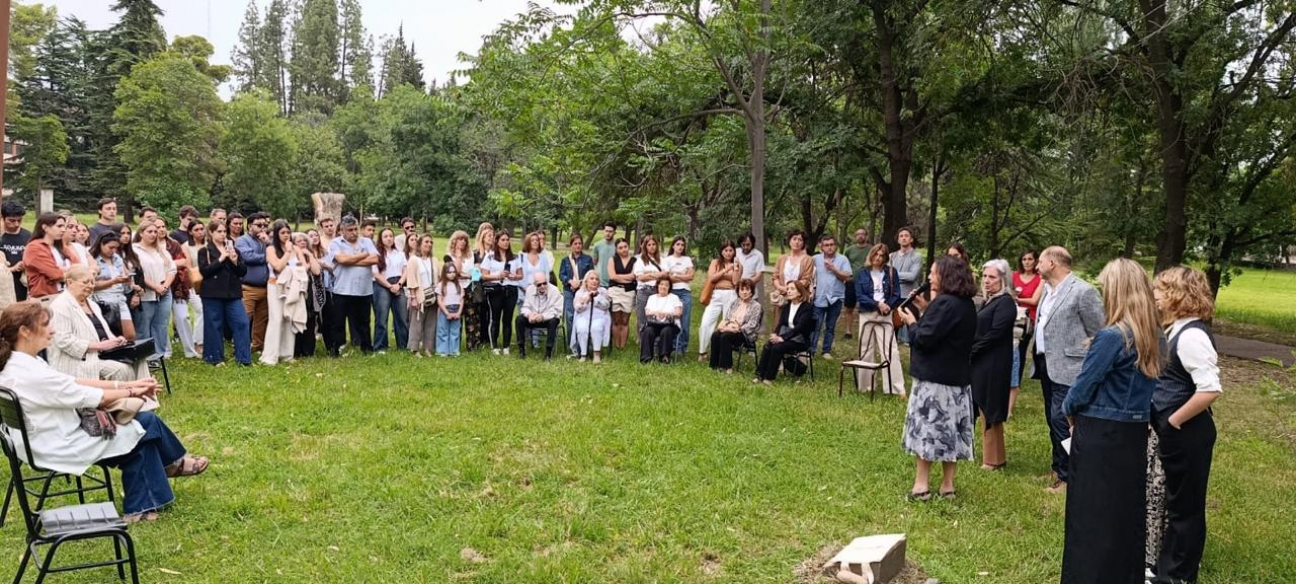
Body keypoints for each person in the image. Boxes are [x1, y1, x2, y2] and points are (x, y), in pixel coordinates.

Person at [0, 301, 209, 523]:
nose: (52, 330)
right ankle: (171, 466)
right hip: (58, 445)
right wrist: (132, 391)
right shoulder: (30, 373)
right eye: (45, 324)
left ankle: (147, 501)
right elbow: (88, 396)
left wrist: (127, 386)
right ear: (24, 331)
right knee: (145, 425)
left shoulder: (17, 364)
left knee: (142, 427)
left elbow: (73, 381)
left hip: (37, 441)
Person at [1059, 258, 1163, 584]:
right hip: (1132, 434)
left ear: (1117, 291)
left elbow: (1081, 389)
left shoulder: (1112, 337)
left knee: (1090, 515)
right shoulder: (1151, 336)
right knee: (1122, 512)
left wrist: (1069, 411)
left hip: (1100, 434)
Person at [1148, 267, 1221, 584]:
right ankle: (1167, 569)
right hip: (1175, 432)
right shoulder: (1177, 329)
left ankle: (1178, 575)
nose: (1155, 296)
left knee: (1186, 508)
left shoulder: (1192, 336)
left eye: (1161, 290)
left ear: (1178, 294)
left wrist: (1174, 420)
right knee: (1176, 504)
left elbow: (1210, 389)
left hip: (1187, 432)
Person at [897, 256, 978, 501]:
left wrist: (911, 322)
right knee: (951, 432)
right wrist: (925, 309)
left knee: (928, 431)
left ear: (946, 275)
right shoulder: (965, 304)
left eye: (933, 273)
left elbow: (924, 339)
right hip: (958, 381)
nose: (930, 277)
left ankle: (921, 486)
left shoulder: (944, 303)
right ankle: (947, 486)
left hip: (935, 382)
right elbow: (945, 331)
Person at [1035, 246, 1105, 493]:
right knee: (1051, 418)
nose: (1036, 266)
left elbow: (1099, 332)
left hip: (1071, 367)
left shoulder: (1083, 291)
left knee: (1061, 419)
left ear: (1052, 263)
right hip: (1046, 363)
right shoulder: (1047, 290)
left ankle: (1069, 477)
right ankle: (1057, 467)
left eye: (1040, 261)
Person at [48, 265, 146, 381]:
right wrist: (99, 346)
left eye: (92, 282)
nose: (90, 286)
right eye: (85, 282)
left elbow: (103, 332)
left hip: (102, 354)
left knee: (140, 360)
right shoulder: (61, 305)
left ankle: (144, 397)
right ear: (70, 283)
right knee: (121, 369)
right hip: (77, 361)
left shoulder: (92, 304)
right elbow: (63, 341)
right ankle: (121, 398)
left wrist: (116, 341)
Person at [971, 259, 1016, 471]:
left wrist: (974, 350)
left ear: (1003, 279)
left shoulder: (1005, 302)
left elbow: (996, 333)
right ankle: (994, 456)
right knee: (984, 406)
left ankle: (992, 459)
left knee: (990, 406)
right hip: (983, 360)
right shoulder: (988, 301)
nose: (987, 281)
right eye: (985, 276)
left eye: (992, 277)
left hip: (994, 361)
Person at [197, 220, 251, 366]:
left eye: (224, 232)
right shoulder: (205, 251)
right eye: (219, 232)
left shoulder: (234, 249)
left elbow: (243, 271)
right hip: (212, 293)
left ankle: (244, 358)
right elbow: (205, 271)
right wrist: (221, 258)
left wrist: (234, 261)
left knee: (242, 322)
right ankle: (214, 357)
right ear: (211, 233)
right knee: (214, 325)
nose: (222, 235)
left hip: (233, 293)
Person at [261, 221, 315, 365]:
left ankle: (287, 354)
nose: (286, 236)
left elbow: (304, 266)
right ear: (277, 234)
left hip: (293, 287)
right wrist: (287, 252)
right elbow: (278, 266)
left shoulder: (296, 248)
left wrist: (295, 265)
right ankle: (270, 356)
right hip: (276, 286)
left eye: (288, 232)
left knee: (288, 318)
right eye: (283, 233)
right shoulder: (271, 249)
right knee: (276, 319)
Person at [854, 243, 905, 397]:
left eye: (881, 255)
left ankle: (895, 388)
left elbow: (896, 293)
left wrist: (887, 306)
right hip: (867, 313)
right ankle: (866, 386)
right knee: (866, 349)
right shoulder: (862, 273)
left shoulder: (891, 272)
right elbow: (860, 295)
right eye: (875, 254)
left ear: (885, 257)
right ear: (871, 255)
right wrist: (877, 304)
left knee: (890, 350)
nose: (878, 257)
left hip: (885, 314)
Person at [325, 216, 379, 355]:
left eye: (355, 229)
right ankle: (334, 350)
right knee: (338, 322)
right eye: (350, 230)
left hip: (363, 289)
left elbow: (375, 259)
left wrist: (350, 260)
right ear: (342, 230)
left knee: (364, 322)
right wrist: (363, 255)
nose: (354, 232)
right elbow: (341, 259)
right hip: (343, 289)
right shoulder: (336, 243)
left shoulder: (366, 241)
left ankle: (366, 348)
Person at [753, 280, 814, 384]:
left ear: (799, 292)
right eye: (788, 289)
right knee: (768, 345)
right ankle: (759, 375)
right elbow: (781, 324)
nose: (788, 291)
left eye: (792, 289)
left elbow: (799, 327)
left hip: (800, 340)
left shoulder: (807, 308)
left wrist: (782, 338)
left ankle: (769, 378)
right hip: (787, 337)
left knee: (777, 347)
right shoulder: (787, 307)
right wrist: (775, 334)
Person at [133, 218, 176, 360]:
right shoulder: (135, 250)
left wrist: (164, 286)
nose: (153, 234)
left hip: (164, 292)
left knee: (160, 325)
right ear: (141, 232)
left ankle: (158, 356)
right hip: (146, 293)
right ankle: (144, 358)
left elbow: (172, 269)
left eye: (155, 232)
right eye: (149, 231)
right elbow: (138, 273)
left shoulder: (160, 250)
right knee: (144, 326)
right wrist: (155, 286)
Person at [156, 218, 197, 359]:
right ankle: (165, 350)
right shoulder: (148, 247)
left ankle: (190, 350)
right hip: (158, 287)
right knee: (162, 320)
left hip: (178, 287)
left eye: (163, 226)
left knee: (182, 317)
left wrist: (166, 263)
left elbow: (183, 261)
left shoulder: (173, 244)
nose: (161, 229)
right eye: (158, 227)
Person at [1010, 250, 1043, 417]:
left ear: (1035, 261)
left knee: (1020, 353)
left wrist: (1017, 299)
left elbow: (1035, 301)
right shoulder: (1014, 275)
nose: (1027, 262)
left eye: (1030, 259)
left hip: (1027, 321)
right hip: (1010, 318)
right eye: (1024, 259)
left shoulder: (1039, 279)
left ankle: (1015, 385)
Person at [90, 232, 139, 342]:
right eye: (110, 247)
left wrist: (129, 283)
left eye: (116, 248)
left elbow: (124, 276)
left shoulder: (117, 258)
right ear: (101, 244)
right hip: (103, 300)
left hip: (120, 298)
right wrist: (112, 281)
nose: (113, 251)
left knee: (130, 335)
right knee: (110, 336)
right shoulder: (93, 260)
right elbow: (91, 286)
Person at [697, 240, 740, 362]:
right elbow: (712, 278)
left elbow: (736, 282)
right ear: (721, 251)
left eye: (731, 250)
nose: (728, 253)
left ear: (734, 251)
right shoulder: (715, 262)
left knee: (726, 323)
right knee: (706, 322)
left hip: (731, 294)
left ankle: (722, 352)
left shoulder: (737, 264)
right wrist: (726, 270)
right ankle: (702, 351)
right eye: (726, 250)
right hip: (716, 294)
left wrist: (735, 268)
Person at [811, 234, 852, 359]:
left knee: (830, 326)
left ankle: (826, 350)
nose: (829, 247)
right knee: (816, 325)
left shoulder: (843, 259)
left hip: (836, 297)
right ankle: (811, 350)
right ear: (821, 247)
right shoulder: (815, 259)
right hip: (820, 296)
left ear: (836, 246)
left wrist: (834, 269)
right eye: (826, 245)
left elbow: (847, 276)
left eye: (831, 245)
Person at [708, 280, 763, 374]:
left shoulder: (756, 306)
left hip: (744, 333)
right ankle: (714, 365)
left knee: (726, 336)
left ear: (752, 291)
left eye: (747, 289)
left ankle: (727, 367)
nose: (744, 292)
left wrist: (737, 329)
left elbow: (752, 325)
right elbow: (727, 317)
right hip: (730, 328)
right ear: (738, 291)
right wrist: (724, 325)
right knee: (716, 335)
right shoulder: (736, 302)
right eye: (742, 289)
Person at [481, 231, 522, 354]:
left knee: (508, 319)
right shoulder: (490, 257)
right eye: (502, 240)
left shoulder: (515, 257)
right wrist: (498, 276)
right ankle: (494, 346)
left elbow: (521, 275)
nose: (505, 242)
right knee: (495, 317)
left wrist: (514, 276)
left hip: (511, 289)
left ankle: (506, 346)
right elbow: (484, 276)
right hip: (496, 290)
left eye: (507, 240)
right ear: (497, 242)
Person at [235, 213, 270, 352]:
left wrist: (268, 243)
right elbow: (248, 257)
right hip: (248, 288)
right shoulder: (241, 241)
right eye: (259, 225)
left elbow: (279, 253)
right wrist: (268, 256)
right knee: (244, 319)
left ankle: (257, 346)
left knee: (261, 320)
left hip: (265, 287)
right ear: (250, 226)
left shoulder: (265, 240)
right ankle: (239, 346)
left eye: (265, 225)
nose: (262, 228)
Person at [371, 228, 409, 353]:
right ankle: (380, 346)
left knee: (402, 317)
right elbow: (376, 274)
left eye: (390, 236)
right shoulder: (376, 254)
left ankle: (403, 345)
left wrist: (399, 284)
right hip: (382, 285)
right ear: (381, 239)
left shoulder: (400, 254)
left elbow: (405, 270)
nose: (388, 238)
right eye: (385, 236)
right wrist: (389, 286)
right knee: (382, 317)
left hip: (398, 284)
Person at [21, 212, 71, 300]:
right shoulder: (34, 248)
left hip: (66, 296)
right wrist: (70, 272)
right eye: (59, 226)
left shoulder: (62, 247)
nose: (63, 230)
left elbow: (80, 266)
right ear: (45, 227)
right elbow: (55, 274)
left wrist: (65, 271)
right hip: (46, 298)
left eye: (64, 226)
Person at [292, 232, 326, 359]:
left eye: (304, 240)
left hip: (311, 294)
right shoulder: (291, 258)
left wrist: (309, 255)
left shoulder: (309, 256)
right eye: (299, 241)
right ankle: (296, 350)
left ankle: (308, 350)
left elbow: (316, 271)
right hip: (297, 293)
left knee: (310, 320)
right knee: (296, 320)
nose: (302, 243)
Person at [516, 273, 562, 360]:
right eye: (539, 284)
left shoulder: (555, 290)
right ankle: (521, 350)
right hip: (533, 319)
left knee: (554, 321)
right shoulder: (530, 290)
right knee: (519, 319)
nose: (542, 286)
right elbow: (525, 307)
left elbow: (557, 310)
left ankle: (548, 353)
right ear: (534, 284)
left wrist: (542, 316)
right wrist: (529, 315)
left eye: (545, 283)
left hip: (548, 319)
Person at [661, 236, 695, 355]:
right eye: (678, 244)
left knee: (685, 321)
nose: (680, 247)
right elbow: (667, 278)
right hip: (672, 293)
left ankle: (682, 347)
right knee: (673, 319)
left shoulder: (687, 259)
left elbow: (691, 276)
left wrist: (676, 274)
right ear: (673, 246)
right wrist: (683, 274)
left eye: (682, 245)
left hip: (685, 292)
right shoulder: (667, 260)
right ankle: (673, 346)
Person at [560, 234, 597, 343]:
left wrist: (580, 282)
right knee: (570, 316)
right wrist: (570, 281)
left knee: (583, 316)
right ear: (571, 245)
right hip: (569, 291)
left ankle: (583, 342)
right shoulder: (565, 260)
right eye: (575, 243)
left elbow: (591, 274)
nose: (578, 246)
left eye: (579, 243)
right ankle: (572, 343)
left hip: (583, 291)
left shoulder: (588, 259)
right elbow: (561, 275)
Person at [405, 235, 438, 357]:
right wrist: (413, 297)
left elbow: (438, 277)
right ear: (419, 244)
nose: (429, 244)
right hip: (419, 294)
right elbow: (411, 279)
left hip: (432, 295)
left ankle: (428, 348)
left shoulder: (433, 260)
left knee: (431, 323)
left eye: (431, 242)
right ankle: (414, 349)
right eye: (426, 242)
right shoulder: (414, 260)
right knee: (417, 322)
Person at [890, 227, 924, 344]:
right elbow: (886, 275)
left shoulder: (916, 256)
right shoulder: (891, 256)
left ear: (911, 239)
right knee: (891, 330)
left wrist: (893, 274)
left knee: (912, 331)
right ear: (898, 240)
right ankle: (890, 360)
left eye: (906, 236)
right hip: (894, 296)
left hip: (910, 297)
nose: (904, 238)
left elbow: (912, 276)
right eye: (901, 236)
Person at [639, 276, 683, 364]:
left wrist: (667, 314)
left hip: (670, 324)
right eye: (661, 284)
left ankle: (664, 356)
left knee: (666, 331)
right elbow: (647, 312)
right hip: (654, 323)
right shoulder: (652, 297)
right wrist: (656, 312)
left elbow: (678, 313)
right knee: (648, 331)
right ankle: (646, 358)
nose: (663, 287)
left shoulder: (674, 297)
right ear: (658, 285)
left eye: (666, 285)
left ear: (669, 287)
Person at [571, 271, 610, 362]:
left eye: (596, 279)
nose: (594, 281)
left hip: (599, 316)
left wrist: (596, 298)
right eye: (591, 279)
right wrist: (586, 300)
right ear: (586, 281)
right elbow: (577, 308)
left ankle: (596, 354)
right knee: (582, 327)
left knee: (596, 327)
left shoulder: (603, 291)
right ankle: (583, 354)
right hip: (583, 316)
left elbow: (607, 305)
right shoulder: (580, 293)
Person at [468, 223, 496, 351]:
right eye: (487, 235)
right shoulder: (475, 253)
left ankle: (488, 337)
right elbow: (472, 269)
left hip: (493, 286)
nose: (491, 237)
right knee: (479, 313)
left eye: (492, 235)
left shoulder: (496, 254)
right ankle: (478, 338)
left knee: (490, 313)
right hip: (479, 287)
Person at [606, 238, 637, 349]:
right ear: (616, 249)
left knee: (625, 320)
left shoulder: (634, 260)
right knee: (616, 319)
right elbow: (612, 276)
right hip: (614, 291)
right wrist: (627, 278)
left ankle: (622, 346)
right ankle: (616, 344)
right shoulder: (612, 260)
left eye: (625, 247)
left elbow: (634, 276)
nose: (623, 249)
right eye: (620, 247)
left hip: (629, 292)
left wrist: (619, 277)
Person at [183, 220, 207, 357]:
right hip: (193, 284)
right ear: (191, 232)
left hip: (209, 284)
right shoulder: (186, 246)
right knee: (201, 310)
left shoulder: (209, 245)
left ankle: (205, 339)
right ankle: (198, 343)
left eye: (201, 229)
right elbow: (188, 267)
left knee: (206, 312)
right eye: (196, 229)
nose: (200, 232)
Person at [772, 230, 814, 308]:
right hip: (782, 297)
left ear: (803, 243)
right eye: (794, 239)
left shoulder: (808, 259)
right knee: (781, 319)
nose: (797, 242)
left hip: (799, 297)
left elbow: (806, 280)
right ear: (789, 241)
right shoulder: (781, 258)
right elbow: (775, 277)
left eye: (800, 240)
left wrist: (791, 289)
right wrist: (780, 287)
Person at [632, 235, 664, 336]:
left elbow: (665, 274)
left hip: (657, 291)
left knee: (656, 319)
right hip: (643, 291)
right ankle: (643, 345)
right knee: (642, 319)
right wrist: (655, 275)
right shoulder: (640, 260)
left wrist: (648, 274)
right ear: (645, 246)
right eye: (649, 245)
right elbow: (640, 277)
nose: (651, 247)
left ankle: (655, 345)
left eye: (653, 244)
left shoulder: (662, 260)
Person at [842, 228, 871, 340]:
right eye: (858, 234)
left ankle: (865, 330)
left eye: (862, 234)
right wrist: (847, 277)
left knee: (867, 306)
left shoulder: (872, 249)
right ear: (855, 236)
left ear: (866, 236)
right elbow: (845, 265)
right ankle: (848, 331)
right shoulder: (849, 250)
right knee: (849, 307)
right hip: (852, 282)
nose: (860, 236)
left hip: (867, 282)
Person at [2, 201, 30, 301]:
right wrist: (13, 268)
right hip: (4, 288)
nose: (16, 224)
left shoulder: (28, 236)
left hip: (23, 286)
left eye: (19, 220)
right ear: (3, 218)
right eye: (12, 221)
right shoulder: (1, 237)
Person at [435, 261, 463, 356]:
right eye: (449, 272)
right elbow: (439, 301)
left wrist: (459, 312)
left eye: (453, 272)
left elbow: (461, 300)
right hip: (445, 310)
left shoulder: (458, 285)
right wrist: (447, 313)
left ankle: (454, 351)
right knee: (443, 331)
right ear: (444, 273)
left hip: (456, 309)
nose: (452, 274)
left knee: (455, 331)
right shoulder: (441, 285)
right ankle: (442, 351)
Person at [735, 232, 766, 300]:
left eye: (748, 245)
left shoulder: (758, 255)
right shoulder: (736, 252)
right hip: (736, 292)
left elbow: (758, 276)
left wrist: (745, 284)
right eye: (743, 245)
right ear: (740, 244)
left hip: (751, 293)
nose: (745, 247)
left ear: (752, 243)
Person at [592, 222, 617, 287]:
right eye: (606, 231)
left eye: (610, 231)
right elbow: (594, 262)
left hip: (613, 282)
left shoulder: (618, 246)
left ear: (614, 233)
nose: (608, 233)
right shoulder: (597, 245)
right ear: (603, 231)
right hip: (600, 282)